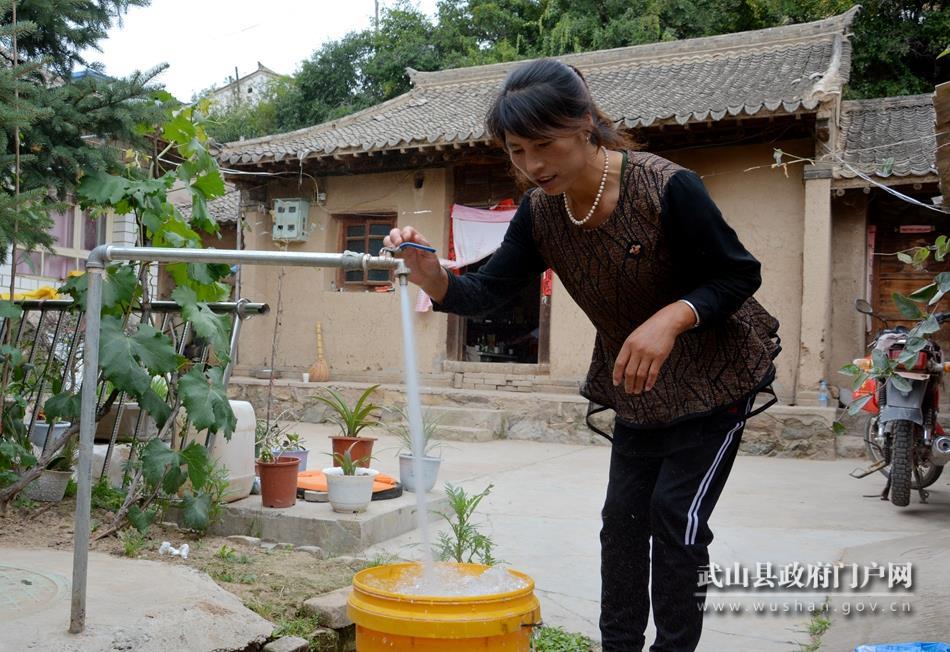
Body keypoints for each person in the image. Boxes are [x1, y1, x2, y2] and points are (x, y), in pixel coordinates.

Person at [384, 58, 780, 652]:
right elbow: (490, 290)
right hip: (638, 387)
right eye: (516, 151)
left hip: (714, 377)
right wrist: (432, 277)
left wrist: (670, 319)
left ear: (587, 125)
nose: (532, 165)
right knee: (620, 524)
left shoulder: (668, 187)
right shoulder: (541, 212)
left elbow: (737, 274)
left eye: (544, 145)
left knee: (677, 520)